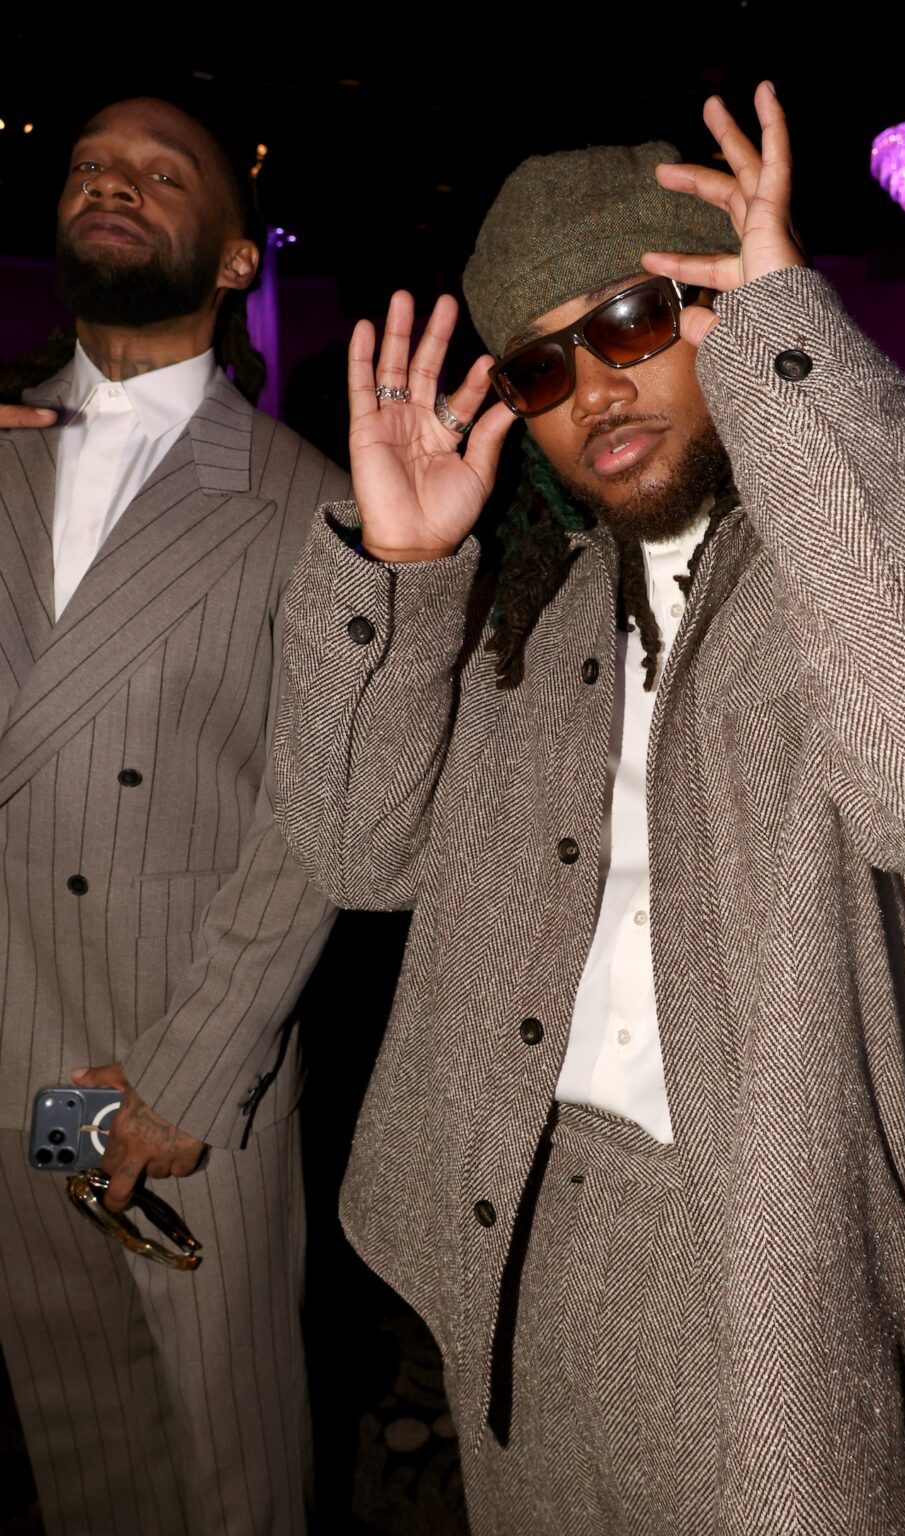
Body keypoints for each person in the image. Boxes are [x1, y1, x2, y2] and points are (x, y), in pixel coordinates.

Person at [271, 85, 905, 1533]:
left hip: (774, 1245)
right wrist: (398, 576)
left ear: (738, 307)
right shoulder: (526, 611)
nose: (594, 384)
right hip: (512, 1234)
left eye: (635, 320)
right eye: (537, 364)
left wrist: (798, 355)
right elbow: (352, 847)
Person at [0, 97, 347, 1535]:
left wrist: (188, 1079)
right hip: (16, 1050)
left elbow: (318, 820)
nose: (109, 184)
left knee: (225, 1459)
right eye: (87, 167)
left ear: (230, 260)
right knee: (83, 1437)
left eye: (159, 172)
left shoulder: (297, 502)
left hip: (159, 1070)